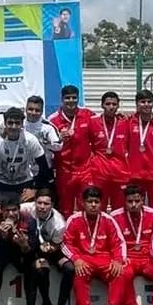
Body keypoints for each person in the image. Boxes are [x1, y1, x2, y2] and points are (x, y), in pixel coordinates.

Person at [60, 185, 126, 305]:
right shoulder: (74, 219)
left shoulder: (108, 220)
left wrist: (118, 260)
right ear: (83, 203)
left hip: (105, 259)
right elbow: (65, 243)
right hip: (84, 260)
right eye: (90, 201)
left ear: (101, 203)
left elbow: (118, 243)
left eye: (96, 201)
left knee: (120, 273)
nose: (93, 205)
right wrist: (76, 259)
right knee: (79, 272)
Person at [110, 184, 153, 305]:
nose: (133, 204)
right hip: (128, 258)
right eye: (130, 201)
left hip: (147, 258)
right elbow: (113, 242)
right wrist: (120, 258)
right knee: (123, 273)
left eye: (137, 201)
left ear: (142, 201)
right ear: (124, 201)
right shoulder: (115, 216)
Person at [20, 189, 68, 305]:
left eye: (46, 204)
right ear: (34, 202)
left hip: (49, 249)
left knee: (43, 268)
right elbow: (7, 210)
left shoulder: (59, 223)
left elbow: (56, 244)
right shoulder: (26, 208)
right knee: (35, 267)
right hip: (30, 247)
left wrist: (49, 249)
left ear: (52, 205)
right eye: (39, 203)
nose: (42, 207)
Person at [48, 85, 95, 217]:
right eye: (67, 98)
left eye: (74, 98)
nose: (71, 101)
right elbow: (49, 146)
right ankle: (66, 229)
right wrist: (58, 139)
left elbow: (101, 127)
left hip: (85, 169)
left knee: (86, 204)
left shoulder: (88, 115)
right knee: (65, 207)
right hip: (64, 170)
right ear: (62, 99)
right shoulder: (53, 120)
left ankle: (85, 228)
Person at [0, 107, 48, 199]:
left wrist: (35, 189)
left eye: (17, 123)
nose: (13, 127)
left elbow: (43, 166)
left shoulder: (30, 140)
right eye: (10, 123)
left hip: (24, 183)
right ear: (5, 123)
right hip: (0, 183)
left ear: (22, 124)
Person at [88, 92, 130, 212]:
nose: (111, 107)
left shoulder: (125, 123)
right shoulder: (93, 122)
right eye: (108, 104)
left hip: (120, 173)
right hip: (99, 173)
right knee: (99, 208)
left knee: (120, 210)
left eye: (114, 104)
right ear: (102, 105)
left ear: (118, 106)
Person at [127, 89, 153, 213]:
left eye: (149, 102)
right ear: (137, 104)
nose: (146, 104)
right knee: (134, 209)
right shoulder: (128, 122)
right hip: (134, 174)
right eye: (142, 102)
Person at [23, 95, 62, 191]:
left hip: (43, 171)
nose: (33, 113)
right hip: (22, 171)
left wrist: (46, 142)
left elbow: (59, 146)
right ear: (25, 109)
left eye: (37, 110)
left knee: (44, 199)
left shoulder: (48, 127)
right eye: (30, 109)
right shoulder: (19, 124)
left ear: (41, 111)